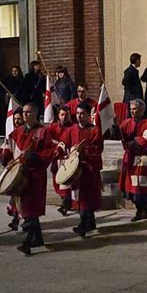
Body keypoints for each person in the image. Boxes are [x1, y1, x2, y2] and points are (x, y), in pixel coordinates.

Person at [2, 103, 53, 255]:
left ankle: (28, 242)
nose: (25, 115)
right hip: (20, 175)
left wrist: (35, 156)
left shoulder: (43, 131)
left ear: (35, 114)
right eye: (23, 112)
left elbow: (49, 153)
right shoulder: (18, 132)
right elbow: (10, 149)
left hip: (35, 176)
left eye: (28, 112)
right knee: (28, 209)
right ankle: (37, 239)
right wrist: (5, 158)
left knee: (31, 209)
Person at [58, 101, 103, 237]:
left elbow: (97, 148)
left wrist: (84, 151)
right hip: (76, 170)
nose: (79, 116)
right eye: (77, 113)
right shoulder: (71, 130)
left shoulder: (94, 130)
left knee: (87, 197)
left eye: (82, 114)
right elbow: (63, 143)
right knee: (80, 197)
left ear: (89, 115)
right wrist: (59, 151)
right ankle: (90, 222)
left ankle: (84, 224)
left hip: (88, 169)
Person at [110, 99, 147, 221]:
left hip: (142, 159)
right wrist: (115, 126)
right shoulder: (127, 123)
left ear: (142, 109)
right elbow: (119, 135)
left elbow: (146, 139)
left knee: (141, 187)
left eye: (134, 109)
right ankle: (139, 210)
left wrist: (132, 143)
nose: (132, 111)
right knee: (130, 188)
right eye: (130, 109)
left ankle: (144, 209)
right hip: (130, 159)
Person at [0, 107, 24, 230]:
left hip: (23, 168)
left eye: (19, 119)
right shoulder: (11, 135)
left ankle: (23, 220)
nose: (17, 121)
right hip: (13, 168)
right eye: (15, 119)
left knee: (21, 197)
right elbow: (5, 148)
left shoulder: (27, 133)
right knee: (14, 195)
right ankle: (16, 218)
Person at [48, 105, 74, 216]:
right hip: (56, 158)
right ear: (58, 116)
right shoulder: (53, 127)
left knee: (66, 182)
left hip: (67, 158)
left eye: (66, 114)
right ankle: (65, 201)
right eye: (62, 114)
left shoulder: (73, 127)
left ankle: (65, 204)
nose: (65, 117)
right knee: (57, 182)